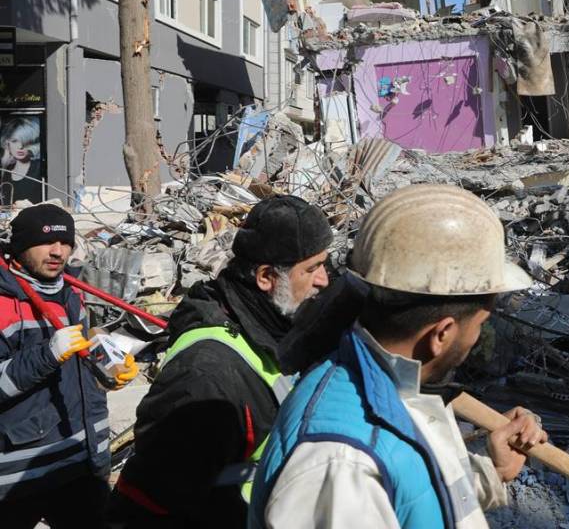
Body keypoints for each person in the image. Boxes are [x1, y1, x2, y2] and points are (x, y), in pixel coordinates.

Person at [250, 184, 547, 529]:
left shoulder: (399, 391)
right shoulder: (342, 462)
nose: (477, 336)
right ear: (441, 334)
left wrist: (491, 473)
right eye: (480, 324)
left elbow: (413, 496)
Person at [108, 195, 333, 528]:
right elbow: (151, 505)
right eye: (312, 269)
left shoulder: (274, 328)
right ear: (266, 277)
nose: (324, 279)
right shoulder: (205, 377)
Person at [0, 203, 138, 529]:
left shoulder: (71, 290)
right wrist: (46, 355)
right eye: (45, 241)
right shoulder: (4, 303)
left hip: (81, 458)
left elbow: (80, 355)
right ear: (20, 246)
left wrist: (108, 367)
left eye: (65, 243)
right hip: (18, 474)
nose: (57, 251)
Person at [0, 116, 43, 206]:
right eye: (14, 141)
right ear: (7, 143)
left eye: (25, 141)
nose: (20, 147)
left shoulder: (39, 168)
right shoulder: (5, 171)